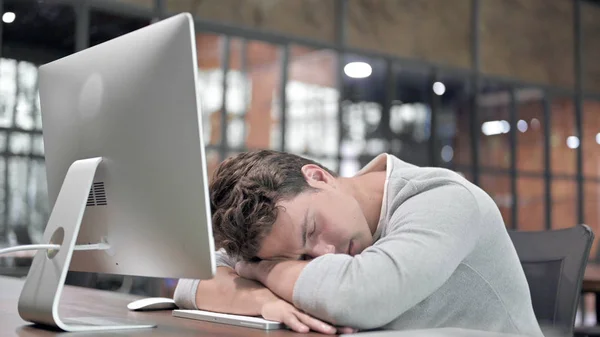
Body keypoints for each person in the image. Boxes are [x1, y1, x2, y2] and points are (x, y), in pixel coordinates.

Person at [174, 150, 543, 336]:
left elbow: (358, 296)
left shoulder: (444, 198)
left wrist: (258, 268)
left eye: (311, 230)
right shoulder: (293, 219)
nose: (322, 255)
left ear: (318, 176)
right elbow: (190, 281)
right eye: (301, 257)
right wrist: (261, 299)